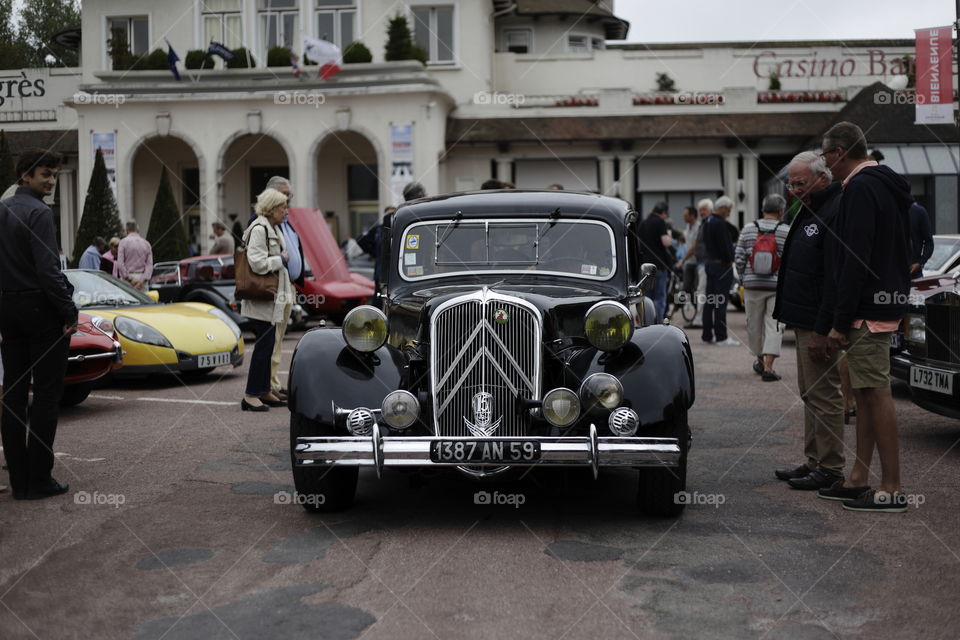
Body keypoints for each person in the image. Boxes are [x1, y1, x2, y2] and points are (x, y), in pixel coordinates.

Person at [822, 121, 914, 513]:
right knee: (864, 393)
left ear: (841, 152)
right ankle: (859, 476)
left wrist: (840, 321)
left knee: (875, 394)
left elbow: (855, 257)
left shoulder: (860, 188)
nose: (826, 164)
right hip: (882, 300)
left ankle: (891, 486)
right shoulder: (884, 184)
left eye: (827, 155)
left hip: (866, 309)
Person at [0, 149, 77, 500]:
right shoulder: (39, 212)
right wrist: (68, 311)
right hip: (40, 308)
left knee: (13, 396)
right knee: (46, 396)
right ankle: (39, 479)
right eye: (45, 174)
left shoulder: (2, 209)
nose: (50, 181)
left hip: (8, 307)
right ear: (24, 176)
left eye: (54, 175)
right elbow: (49, 270)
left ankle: (19, 481)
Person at [772, 151, 845, 491]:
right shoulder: (812, 207)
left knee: (824, 394)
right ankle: (815, 461)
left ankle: (830, 468)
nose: (793, 189)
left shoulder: (833, 209)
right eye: (791, 183)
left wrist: (823, 328)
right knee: (810, 393)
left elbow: (833, 276)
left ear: (822, 178)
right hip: (804, 318)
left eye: (799, 183)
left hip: (816, 321)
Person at [240, 188, 294, 411]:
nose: (286, 211)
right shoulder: (260, 228)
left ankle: (263, 390)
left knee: (269, 345)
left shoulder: (270, 227)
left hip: (271, 299)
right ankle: (250, 395)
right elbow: (256, 262)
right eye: (282, 207)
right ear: (271, 209)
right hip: (262, 299)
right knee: (263, 347)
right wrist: (279, 259)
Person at [735, 194, 789, 381]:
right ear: (781, 211)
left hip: (752, 284)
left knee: (754, 323)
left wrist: (743, 278)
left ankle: (759, 360)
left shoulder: (749, 228)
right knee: (774, 325)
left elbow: (739, 256)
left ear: (763, 209)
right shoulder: (785, 230)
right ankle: (769, 366)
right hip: (776, 286)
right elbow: (791, 260)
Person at [265, 176, 303, 402]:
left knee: (279, 338)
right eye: (286, 195)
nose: (289, 199)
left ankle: (274, 383)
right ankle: (269, 384)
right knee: (274, 337)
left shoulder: (285, 220)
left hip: (288, 284)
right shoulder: (264, 221)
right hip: (275, 286)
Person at [701, 196, 739, 346]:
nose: (728, 213)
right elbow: (726, 247)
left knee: (710, 301)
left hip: (710, 264)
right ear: (722, 208)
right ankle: (721, 337)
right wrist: (731, 260)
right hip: (722, 267)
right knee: (721, 302)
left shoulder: (708, 222)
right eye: (728, 210)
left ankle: (707, 335)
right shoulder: (720, 223)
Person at [636, 201, 673, 322]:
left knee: (647, 298)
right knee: (659, 297)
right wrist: (670, 236)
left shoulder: (643, 223)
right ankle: (657, 323)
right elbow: (666, 242)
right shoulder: (660, 222)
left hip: (645, 266)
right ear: (663, 212)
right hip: (659, 265)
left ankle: (646, 323)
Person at [677, 199, 712, 328]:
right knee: (688, 289)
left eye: (686, 215)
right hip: (690, 263)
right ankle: (698, 312)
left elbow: (693, 247)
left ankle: (700, 315)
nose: (683, 217)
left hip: (696, 262)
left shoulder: (698, 227)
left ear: (692, 216)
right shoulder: (688, 227)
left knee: (699, 290)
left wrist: (682, 260)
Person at [116, 220, 153, 290]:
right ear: (137, 229)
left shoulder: (123, 242)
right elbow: (149, 265)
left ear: (126, 230)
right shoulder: (146, 244)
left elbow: (120, 264)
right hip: (142, 278)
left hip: (127, 280)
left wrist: (129, 279)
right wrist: (142, 281)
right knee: (144, 300)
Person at [908, 202, 933, 279]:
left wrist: (920, 262)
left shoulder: (918, 212)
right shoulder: (888, 209)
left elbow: (929, 242)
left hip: (914, 271)